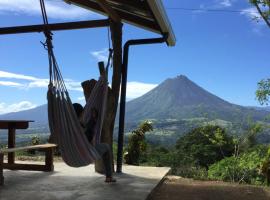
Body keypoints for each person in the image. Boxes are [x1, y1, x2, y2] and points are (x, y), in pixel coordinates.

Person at [73, 103, 116, 183]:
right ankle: (109, 177)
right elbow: (87, 136)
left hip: (72, 154)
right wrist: (93, 119)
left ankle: (109, 177)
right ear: (81, 113)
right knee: (106, 147)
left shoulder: (68, 125)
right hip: (85, 152)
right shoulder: (79, 126)